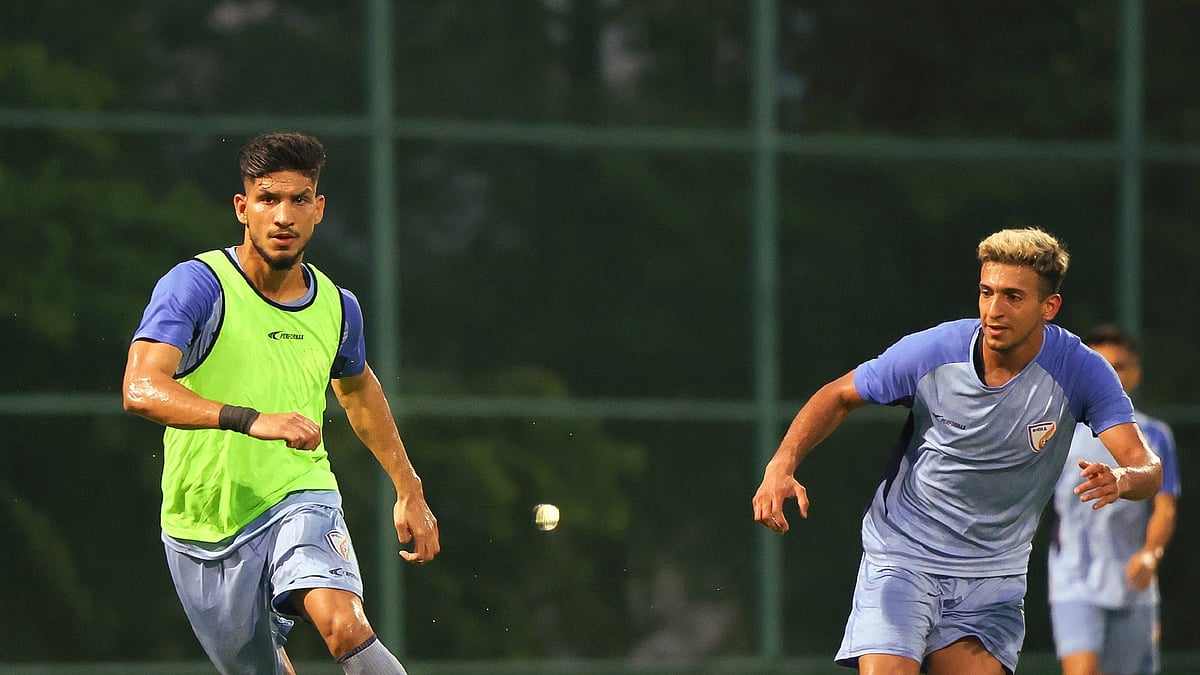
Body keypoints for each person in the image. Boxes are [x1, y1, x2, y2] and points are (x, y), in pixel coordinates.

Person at [752, 227, 1163, 675]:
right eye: (986, 293)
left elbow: (1146, 466)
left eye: (1012, 297)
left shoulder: (1082, 371)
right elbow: (839, 395)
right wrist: (782, 463)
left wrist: (1123, 480)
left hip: (993, 578)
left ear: (1049, 307)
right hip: (902, 557)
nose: (993, 310)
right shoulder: (935, 351)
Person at [122, 132, 439, 675]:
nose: (283, 215)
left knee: (345, 626)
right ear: (243, 208)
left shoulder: (339, 307)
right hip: (200, 522)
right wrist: (252, 421)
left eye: (298, 200)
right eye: (269, 199)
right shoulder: (198, 287)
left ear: (318, 209)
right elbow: (140, 387)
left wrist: (409, 488)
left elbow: (358, 389)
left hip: (299, 496)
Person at [1047, 324, 1181, 675]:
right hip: (1072, 579)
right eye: (1100, 365)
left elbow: (1164, 507)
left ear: (1134, 373)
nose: (1111, 375)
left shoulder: (1153, 436)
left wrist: (1151, 553)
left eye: (1119, 366)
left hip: (1131, 585)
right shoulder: (1058, 432)